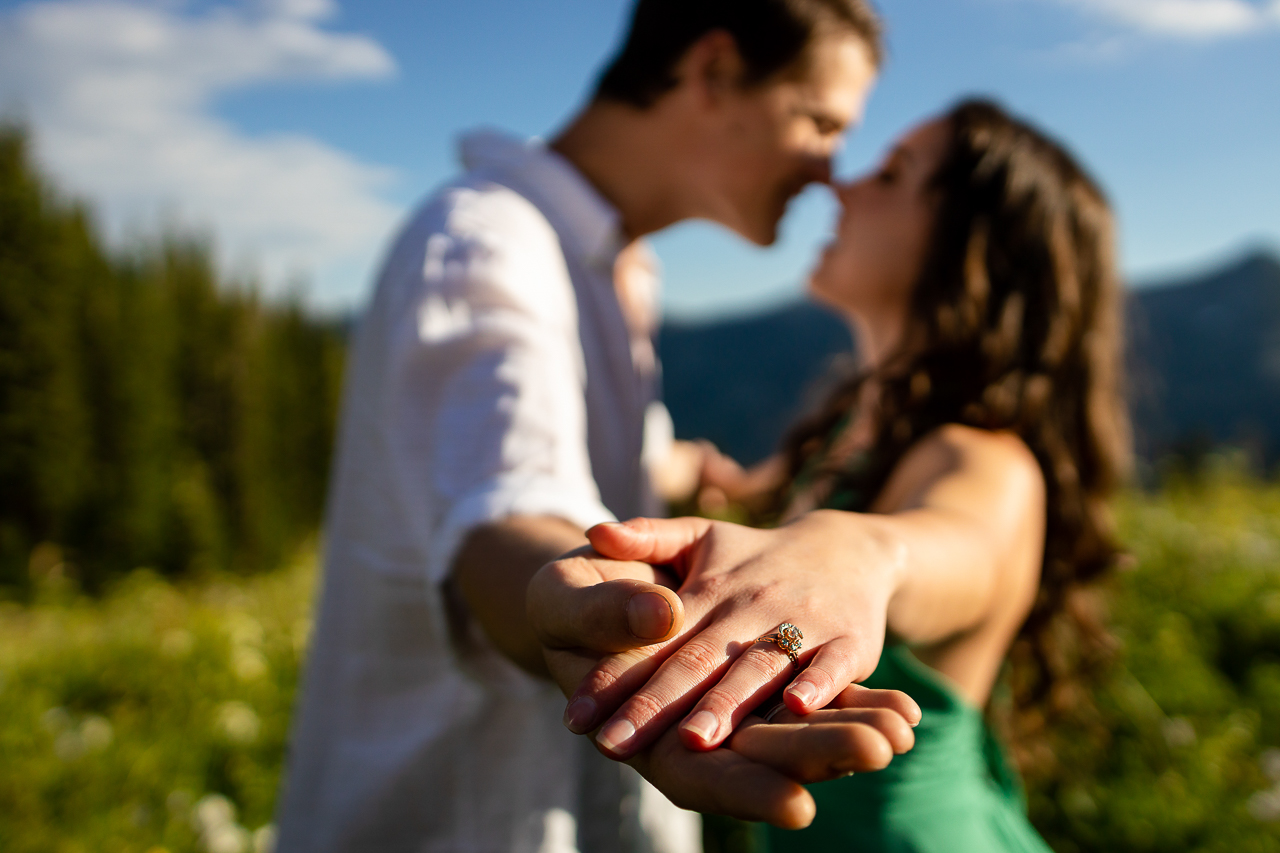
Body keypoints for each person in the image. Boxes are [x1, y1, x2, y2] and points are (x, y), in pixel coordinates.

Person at [274, 2, 923, 852]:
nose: (830, 169)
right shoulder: (486, 244)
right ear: (716, 70)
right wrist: (580, 605)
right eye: (818, 120)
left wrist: (731, 482)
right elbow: (503, 508)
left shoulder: (616, 271)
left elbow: (596, 454)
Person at [537, 99, 1130, 851]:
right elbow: (749, 497)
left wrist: (856, 554)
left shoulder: (987, 462)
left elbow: (948, 543)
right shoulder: (854, 430)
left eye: (890, 174)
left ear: (971, 245)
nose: (840, 187)